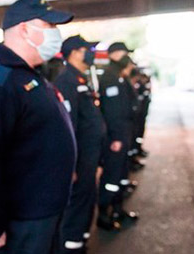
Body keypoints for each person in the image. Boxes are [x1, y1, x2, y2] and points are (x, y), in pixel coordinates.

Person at [0, 0, 76, 254]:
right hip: (19, 221)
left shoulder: (28, 75)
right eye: (49, 27)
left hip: (42, 214)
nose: (55, 34)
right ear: (25, 29)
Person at [54, 35, 107, 253]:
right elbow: (68, 127)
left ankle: (80, 242)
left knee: (87, 199)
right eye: (87, 48)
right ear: (75, 52)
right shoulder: (66, 81)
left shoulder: (81, 79)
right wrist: (72, 165)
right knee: (76, 205)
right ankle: (70, 247)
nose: (90, 52)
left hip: (89, 156)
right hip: (80, 157)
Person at [96, 43, 140, 231]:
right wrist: (115, 137)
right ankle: (104, 214)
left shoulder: (119, 75)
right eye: (124, 53)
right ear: (114, 54)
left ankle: (118, 209)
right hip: (116, 136)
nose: (126, 57)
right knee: (111, 176)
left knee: (121, 175)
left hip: (124, 132)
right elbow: (112, 112)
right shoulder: (109, 76)